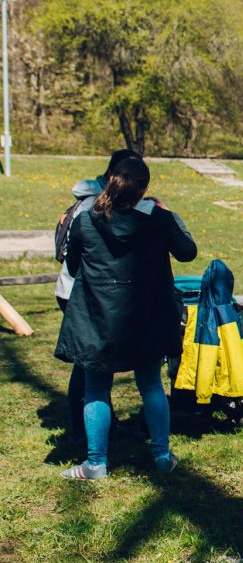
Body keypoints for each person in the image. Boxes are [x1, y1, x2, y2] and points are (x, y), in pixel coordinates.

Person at [55, 157, 197, 479]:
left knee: (96, 389)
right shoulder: (159, 220)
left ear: (109, 181)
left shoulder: (86, 220)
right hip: (144, 317)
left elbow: (73, 266)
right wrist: (169, 215)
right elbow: (188, 251)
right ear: (143, 188)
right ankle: (161, 454)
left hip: (98, 319)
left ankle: (96, 463)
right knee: (150, 385)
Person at [54, 148, 144, 444]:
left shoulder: (101, 202)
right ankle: (82, 430)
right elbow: (75, 258)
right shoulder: (90, 206)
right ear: (116, 176)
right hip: (78, 293)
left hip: (87, 291)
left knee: (93, 364)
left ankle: (102, 424)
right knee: (87, 363)